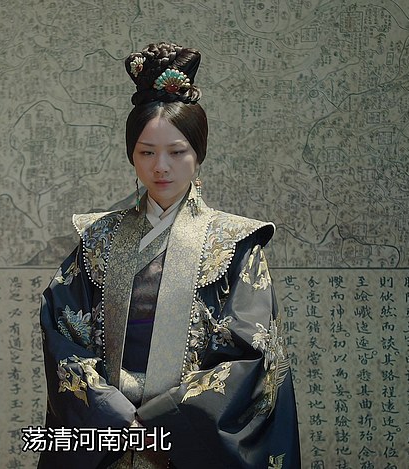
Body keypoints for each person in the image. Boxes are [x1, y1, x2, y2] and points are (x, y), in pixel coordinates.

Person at [38, 42, 300, 469]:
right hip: (112, 437)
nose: (161, 166)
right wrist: (118, 420)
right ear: (132, 155)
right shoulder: (97, 238)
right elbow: (62, 333)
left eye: (177, 152)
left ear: (198, 154)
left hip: (189, 441)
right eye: (147, 152)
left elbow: (250, 355)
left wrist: (166, 425)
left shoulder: (235, 243)